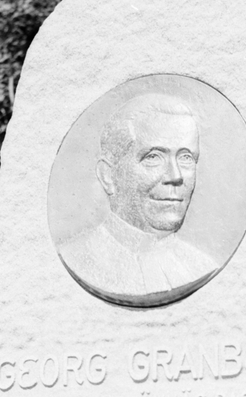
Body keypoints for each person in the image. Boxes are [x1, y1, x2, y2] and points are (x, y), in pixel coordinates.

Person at [60, 93, 219, 304]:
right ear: (108, 175)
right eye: (153, 157)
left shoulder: (201, 265)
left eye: (186, 157)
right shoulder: (78, 258)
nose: (176, 176)